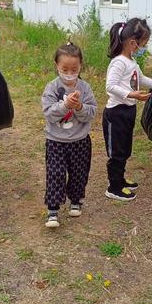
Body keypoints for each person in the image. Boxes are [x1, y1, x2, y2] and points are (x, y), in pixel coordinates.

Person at [103, 18, 152, 201]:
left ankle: (120, 179)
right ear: (133, 42)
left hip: (128, 111)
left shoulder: (131, 61)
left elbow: (141, 79)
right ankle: (113, 186)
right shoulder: (119, 62)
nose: (144, 47)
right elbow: (110, 86)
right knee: (117, 151)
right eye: (144, 44)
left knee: (125, 148)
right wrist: (132, 95)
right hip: (116, 113)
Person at [42, 42, 97, 228]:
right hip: (55, 140)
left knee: (79, 172)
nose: (69, 72)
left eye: (74, 69)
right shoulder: (51, 88)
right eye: (65, 68)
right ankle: (53, 210)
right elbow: (49, 113)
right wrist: (65, 105)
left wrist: (79, 106)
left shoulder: (85, 88)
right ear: (56, 65)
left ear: (81, 66)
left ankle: (76, 200)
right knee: (55, 173)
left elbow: (92, 113)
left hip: (80, 140)